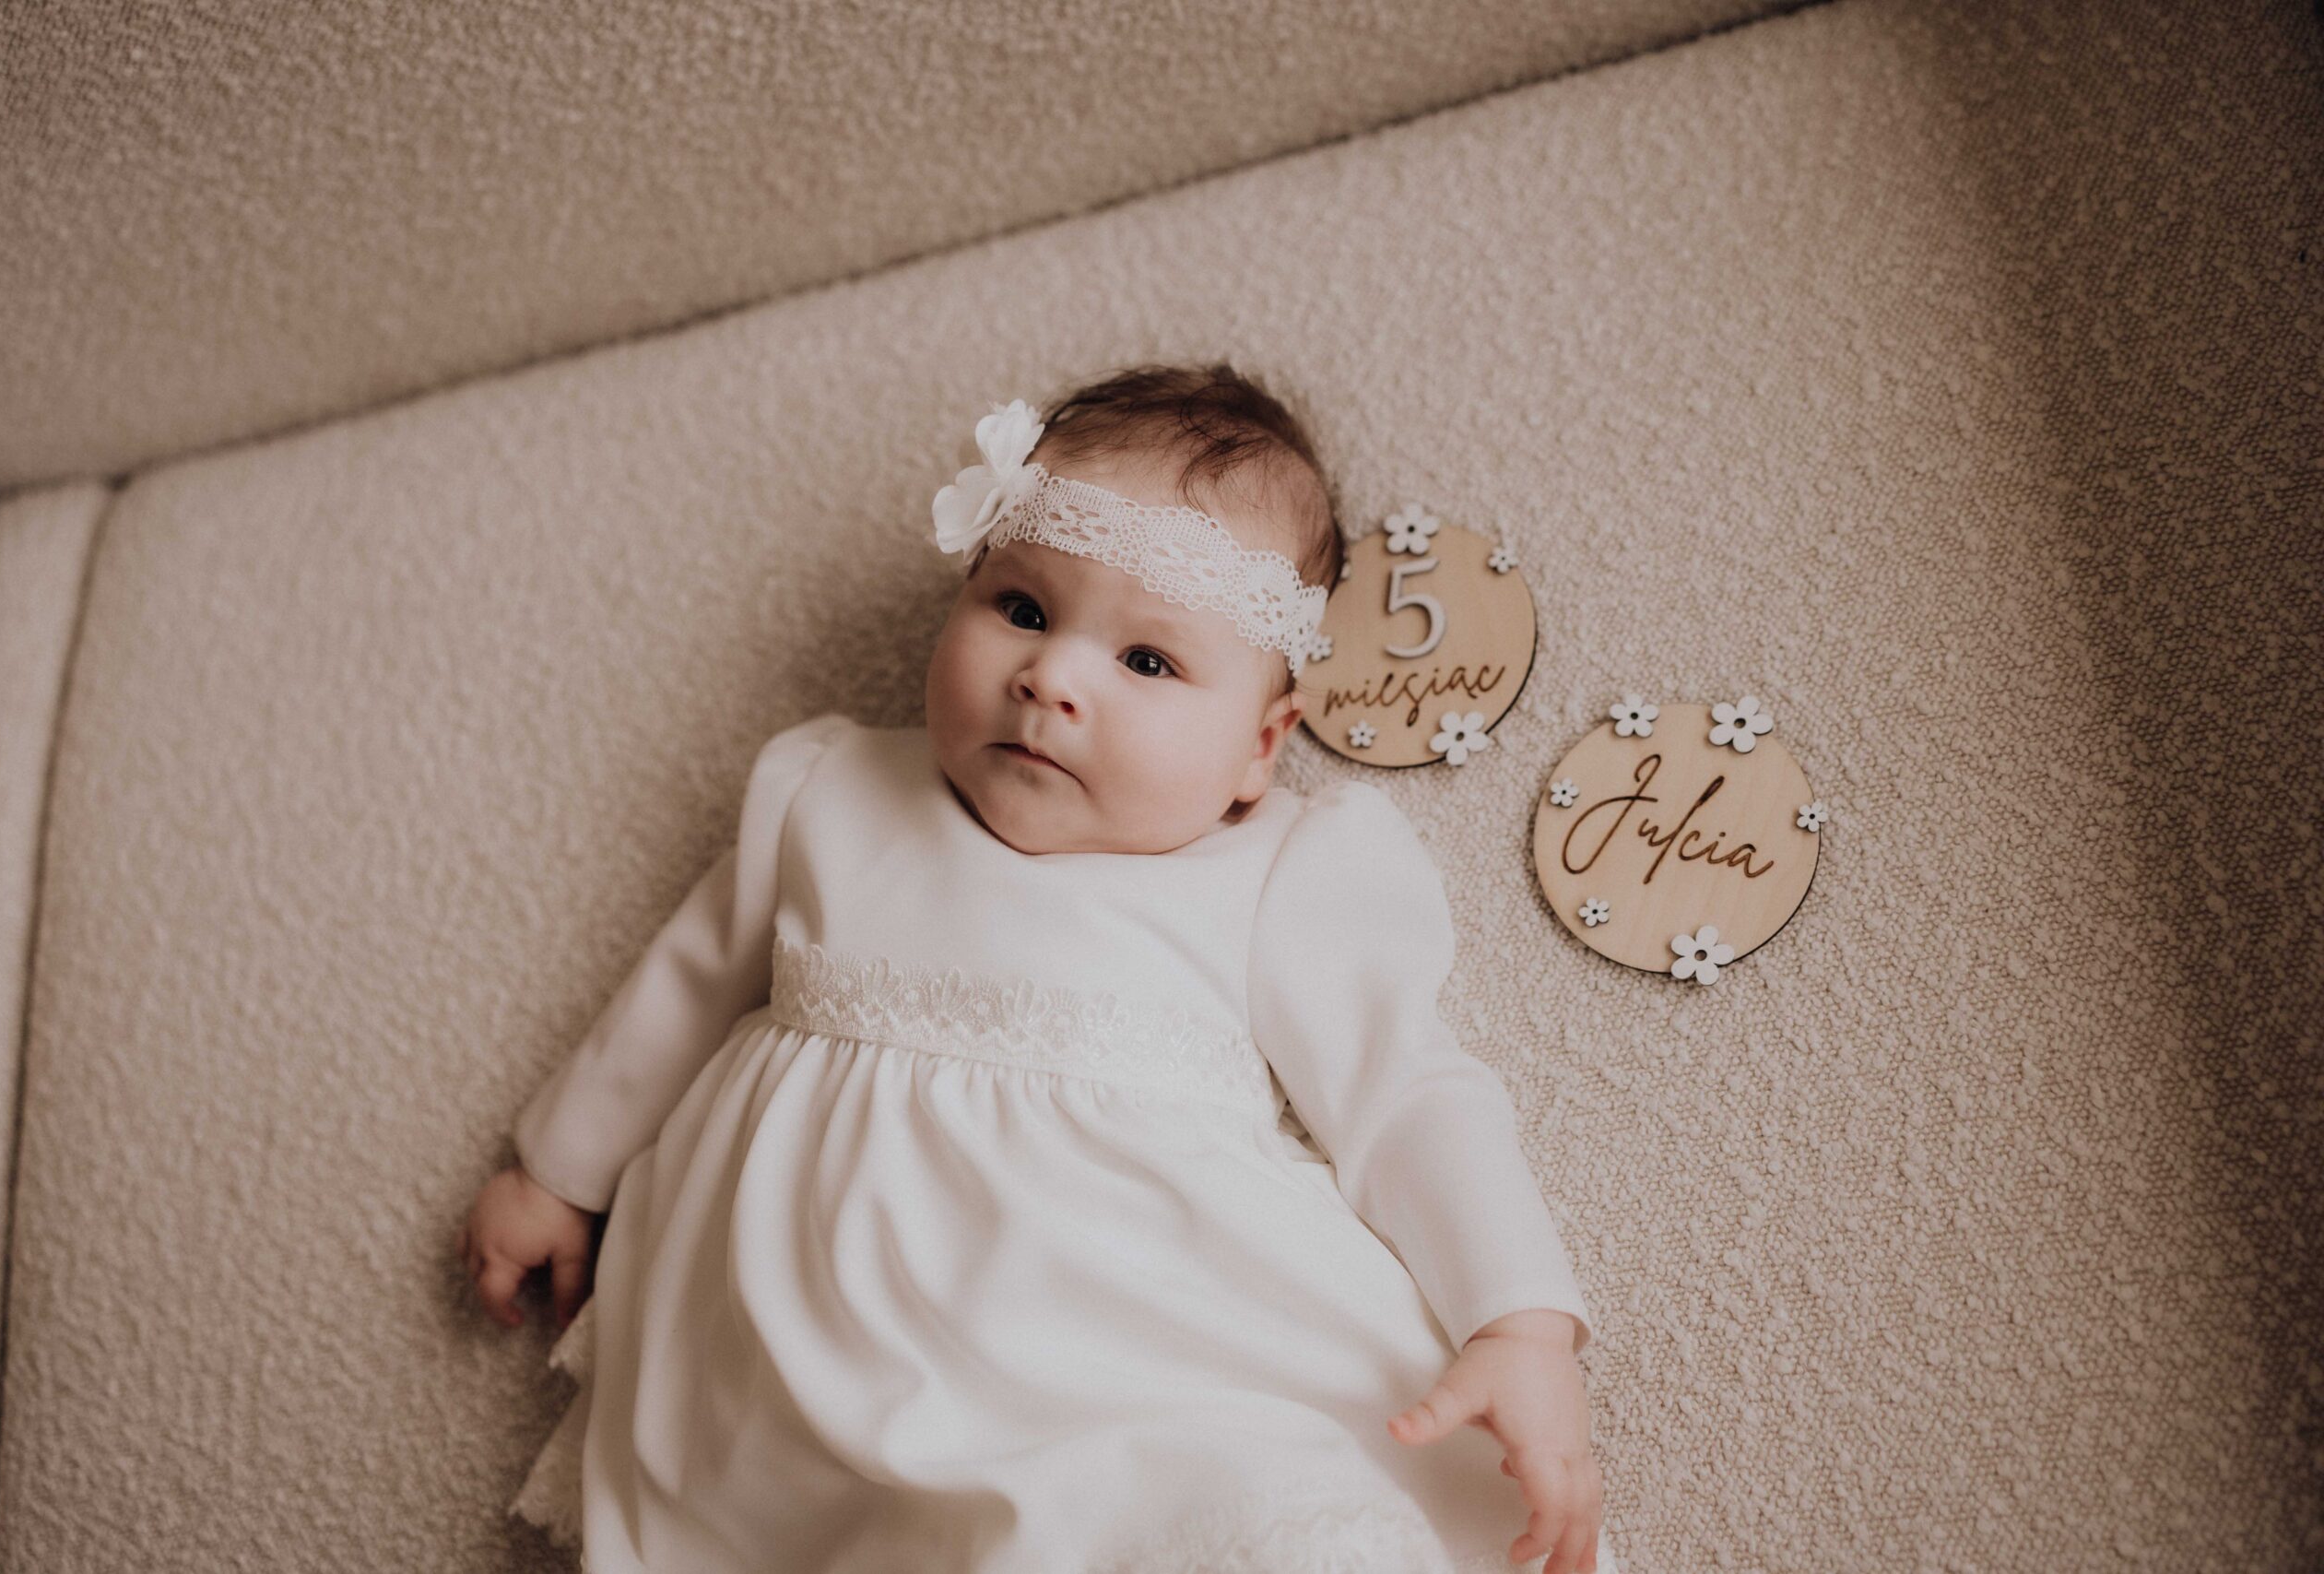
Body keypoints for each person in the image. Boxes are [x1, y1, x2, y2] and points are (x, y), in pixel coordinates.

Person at [458, 363, 1620, 1573]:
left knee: (1231, 1512)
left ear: (1259, 748)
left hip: (1136, 1351)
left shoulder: (1276, 872)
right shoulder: (829, 788)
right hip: (807, 1372)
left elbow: (1408, 1094)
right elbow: (687, 988)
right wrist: (560, 1171)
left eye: (1149, 663)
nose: (1052, 677)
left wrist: (1519, 1323)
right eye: (1021, 608)